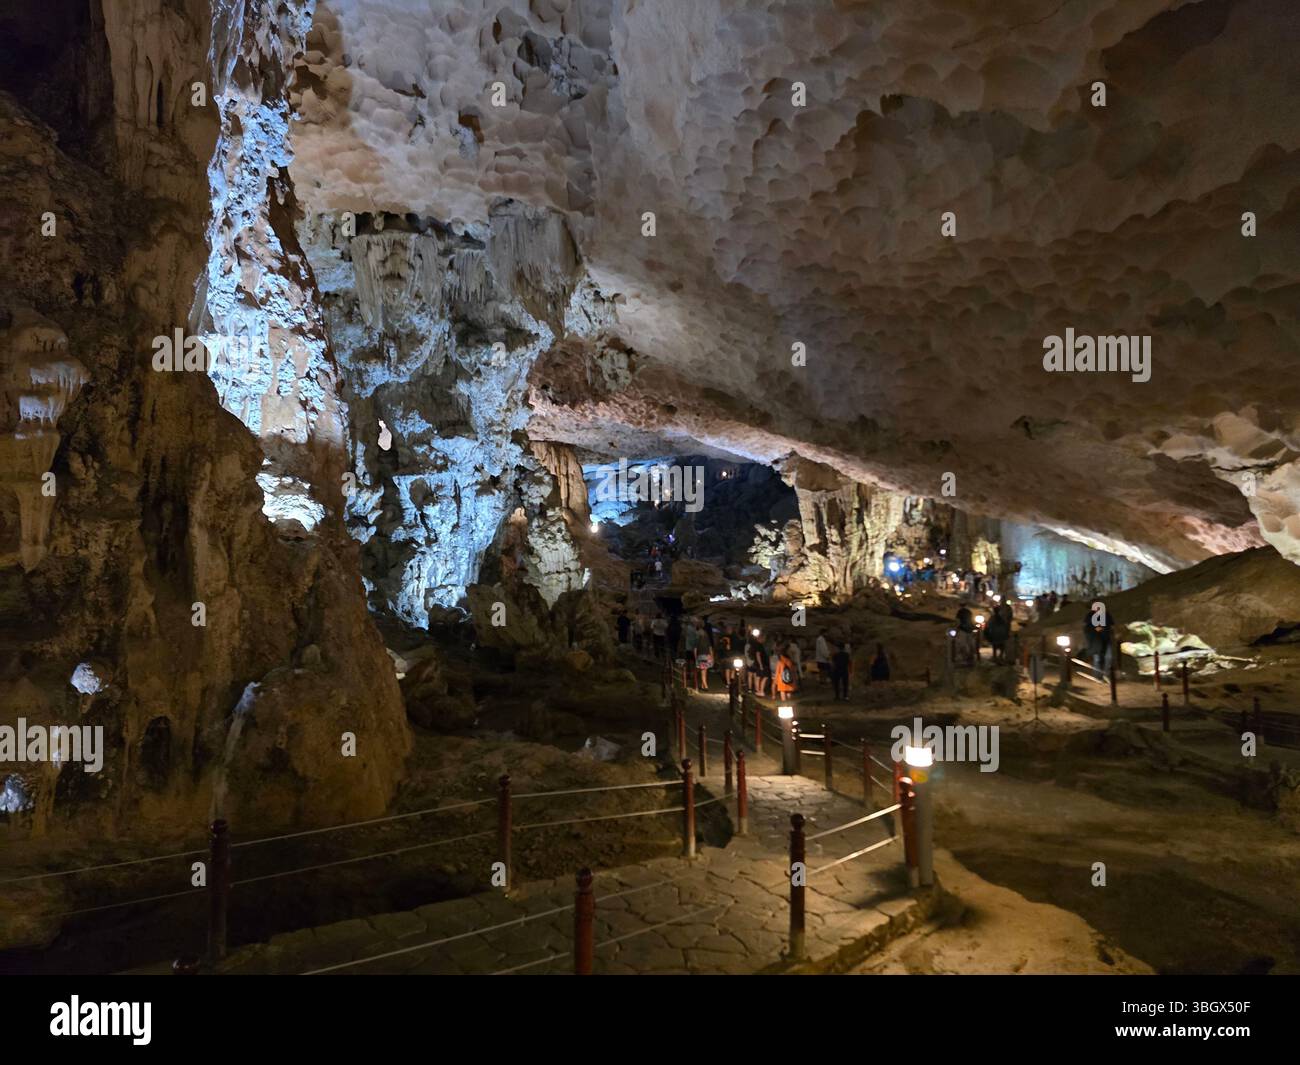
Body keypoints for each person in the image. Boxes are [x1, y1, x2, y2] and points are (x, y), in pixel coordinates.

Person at [1084, 600, 1114, 680]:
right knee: (1097, 659)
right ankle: (1097, 676)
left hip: (1106, 639)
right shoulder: (1090, 616)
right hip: (1096, 641)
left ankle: (1106, 675)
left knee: (1108, 657)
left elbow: (1111, 626)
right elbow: (1088, 629)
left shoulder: (1106, 615)